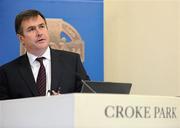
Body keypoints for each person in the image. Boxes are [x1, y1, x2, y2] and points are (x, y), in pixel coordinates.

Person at [0, 9, 89, 100]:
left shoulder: (72, 62)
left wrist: (65, 102)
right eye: (31, 29)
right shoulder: (7, 73)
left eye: (41, 26)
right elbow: (4, 110)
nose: (39, 33)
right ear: (21, 38)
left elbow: (87, 98)